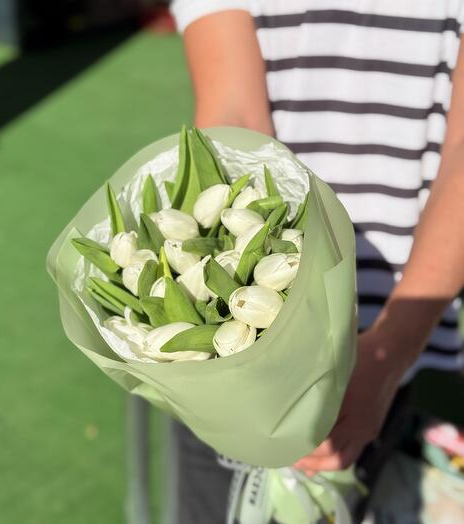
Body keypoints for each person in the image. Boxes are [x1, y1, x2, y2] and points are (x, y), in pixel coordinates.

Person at [168, 1, 464, 522]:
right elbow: (233, 116)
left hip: (389, 334)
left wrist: (387, 356)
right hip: (238, 339)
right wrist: (243, 349)